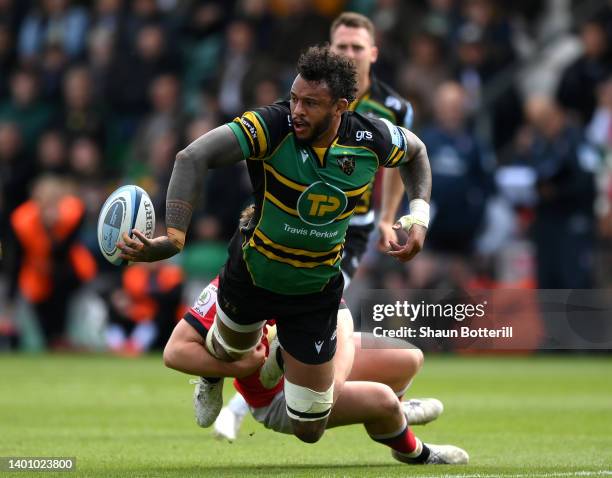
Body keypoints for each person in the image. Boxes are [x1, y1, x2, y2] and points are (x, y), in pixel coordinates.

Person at [118, 45, 432, 444]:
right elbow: (191, 157)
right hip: (252, 274)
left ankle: (282, 355)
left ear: (341, 107)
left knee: (309, 428)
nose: (297, 109)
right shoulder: (271, 125)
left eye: (311, 103)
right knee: (229, 352)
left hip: (314, 291)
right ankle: (211, 374)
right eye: (295, 97)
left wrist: (418, 215)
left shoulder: (371, 137)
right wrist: (175, 237)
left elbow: (417, 153)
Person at [214, 11, 419, 440]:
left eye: (356, 47)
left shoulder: (392, 109)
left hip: (352, 226)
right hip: (292, 223)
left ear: (373, 53)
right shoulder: (308, 97)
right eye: (341, 46)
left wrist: (388, 218)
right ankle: (252, 390)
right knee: (306, 307)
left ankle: (313, 396)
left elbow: (402, 163)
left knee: (324, 311)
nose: (348, 52)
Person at [163, 274, 468, 465]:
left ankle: (392, 416)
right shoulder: (232, 286)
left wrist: (333, 385)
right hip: (277, 399)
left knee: (409, 359)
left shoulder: (307, 261)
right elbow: (174, 351)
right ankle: (413, 451)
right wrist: (238, 367)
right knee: (382, 399)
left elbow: (342, 328)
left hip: (317, 362)